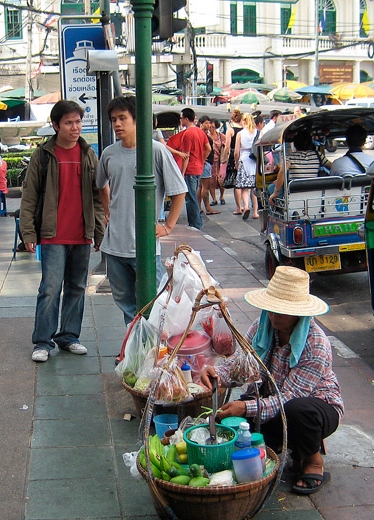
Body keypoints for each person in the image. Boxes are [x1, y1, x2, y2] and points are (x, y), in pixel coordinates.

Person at [204, 265, 343, 495]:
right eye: (272, 309)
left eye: (283, 310)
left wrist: (245, 407)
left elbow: (288, 397)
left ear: (299, 312)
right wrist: (217, 373)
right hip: (268, 400)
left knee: (297, 411)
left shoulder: (316, 343)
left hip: (312, 407)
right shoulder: (261, 327)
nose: (275, 315)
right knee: (236, 439)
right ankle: (283, 442)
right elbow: (240, 365)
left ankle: (313, 460)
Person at [19, 100, 104, 363]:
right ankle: (43, 341)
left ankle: (69, 336)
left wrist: (98, 230)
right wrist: (28, 234)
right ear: (56, 126)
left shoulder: (88, 154)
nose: (75, 127)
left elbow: (97, 196)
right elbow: (29, 196)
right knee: (51, 288)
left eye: (78, 122)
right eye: (69, 123)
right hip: (52, 234)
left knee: (77, 287)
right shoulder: (43, 155)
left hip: (81, 234)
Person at [97, 95, 187, 326]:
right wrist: (108, 211)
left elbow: (179, 190)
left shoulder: (155, 151)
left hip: (145, 246)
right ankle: (134, 345)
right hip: (114, 245)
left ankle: (149, 348)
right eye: (113, 119)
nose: (117, 124)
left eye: (122, 118)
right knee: (125, 303)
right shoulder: (109, 154)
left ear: (136, 120)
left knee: (151, 302)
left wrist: (168, 226)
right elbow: (100, 185)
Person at [268, 129, 331, 205]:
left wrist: (276, 191)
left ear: (295, 144)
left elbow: (282, 171)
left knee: (271, 188)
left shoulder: (290, 157)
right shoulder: (318, 155)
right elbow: (331, 166)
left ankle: (278, 210)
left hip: (294, 192)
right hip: (314, 191)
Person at [178, 108, 211, 230]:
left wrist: (182, 172)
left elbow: (185, 155)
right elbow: (208, 148)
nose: (181, 120)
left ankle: (195, 224)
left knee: (191, 198)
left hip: (190, 169)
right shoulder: (200, 132)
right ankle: (195, 223)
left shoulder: (188, 133)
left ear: (186, 119)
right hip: (198, 168)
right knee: (193, 197)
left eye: (181, 118)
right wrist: (201, 160)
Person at [234, 113, 260, 220]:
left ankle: (246, 206)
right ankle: (255, 212)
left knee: (245, 187)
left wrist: (236, 162)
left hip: (244, 160)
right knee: (254, 188)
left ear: (243, 122)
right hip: (255, 161)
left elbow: (236, 151)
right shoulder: (258, 132)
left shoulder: (240, 134)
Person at [221, 108, 244, 214]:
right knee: (245, 182)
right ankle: (246, 204)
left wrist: (224, 160)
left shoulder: (230, 131)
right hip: (245, 155)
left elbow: (227, 147)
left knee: (236, 183)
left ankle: (239, 207)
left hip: (234, 156)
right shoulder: (245, 129)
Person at [207, 118, 227, 206]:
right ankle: (214, 199)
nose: (211, 129)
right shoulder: (207, 136)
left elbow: (226, 147)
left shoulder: (221, 136)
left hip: (220, 161)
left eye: (213, 127)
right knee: (211, 181)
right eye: (210, 127)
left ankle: (222, 196)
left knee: (221, 180)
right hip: (210, 161)